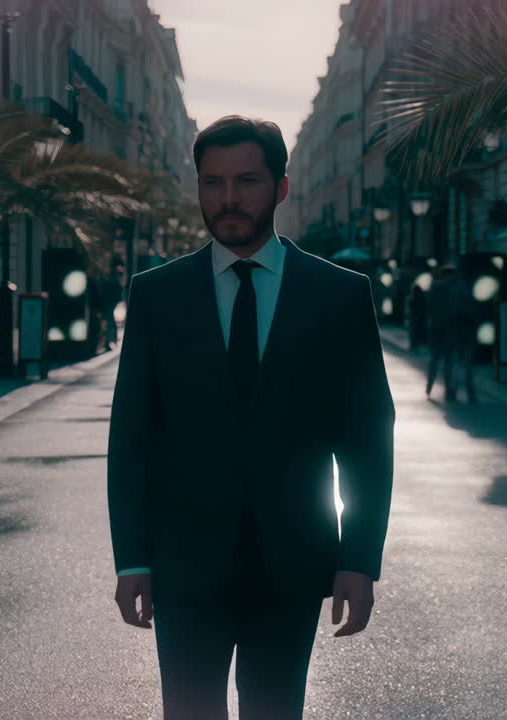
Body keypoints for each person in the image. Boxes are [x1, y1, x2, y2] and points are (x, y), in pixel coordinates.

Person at [108, 116, 395, 719]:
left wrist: (359, 559)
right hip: (183, 565)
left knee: (274, 710)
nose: (229, 198)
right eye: (212, 182)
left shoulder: (339, 295)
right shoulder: (157, 295)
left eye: (247, 181)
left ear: (281, 188)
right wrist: (132, 558)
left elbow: (367, 439)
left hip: (291, 562)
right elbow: (133, 436)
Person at [426, 261, 479, 403]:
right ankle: (466, 392)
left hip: (448, 330)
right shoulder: (462, 287)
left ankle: (445, 390)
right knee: (462, 363)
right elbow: (472, 309)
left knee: (445, 361)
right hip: (459, 329)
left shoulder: (438, 286)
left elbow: (431, 308)